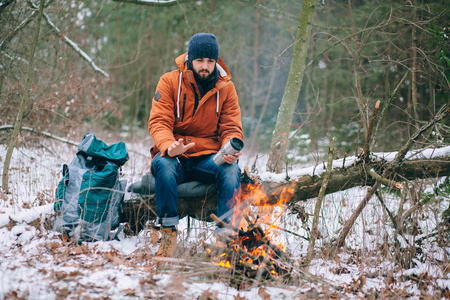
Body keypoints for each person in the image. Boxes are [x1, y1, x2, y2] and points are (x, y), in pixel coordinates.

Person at [148, 33, 244, 258]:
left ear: (216, 61)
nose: (205, 66)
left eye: (210, 61)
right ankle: (169, 234)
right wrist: (169, 146)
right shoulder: (170, 81)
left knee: (231, 170)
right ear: (190, 59)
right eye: (200, 60)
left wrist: (230, 146)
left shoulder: (226, 88)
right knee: (164, 164)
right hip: (175, 155)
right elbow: (159, 121)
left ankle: (226, 240)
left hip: (208, 158)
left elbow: (231, 126)